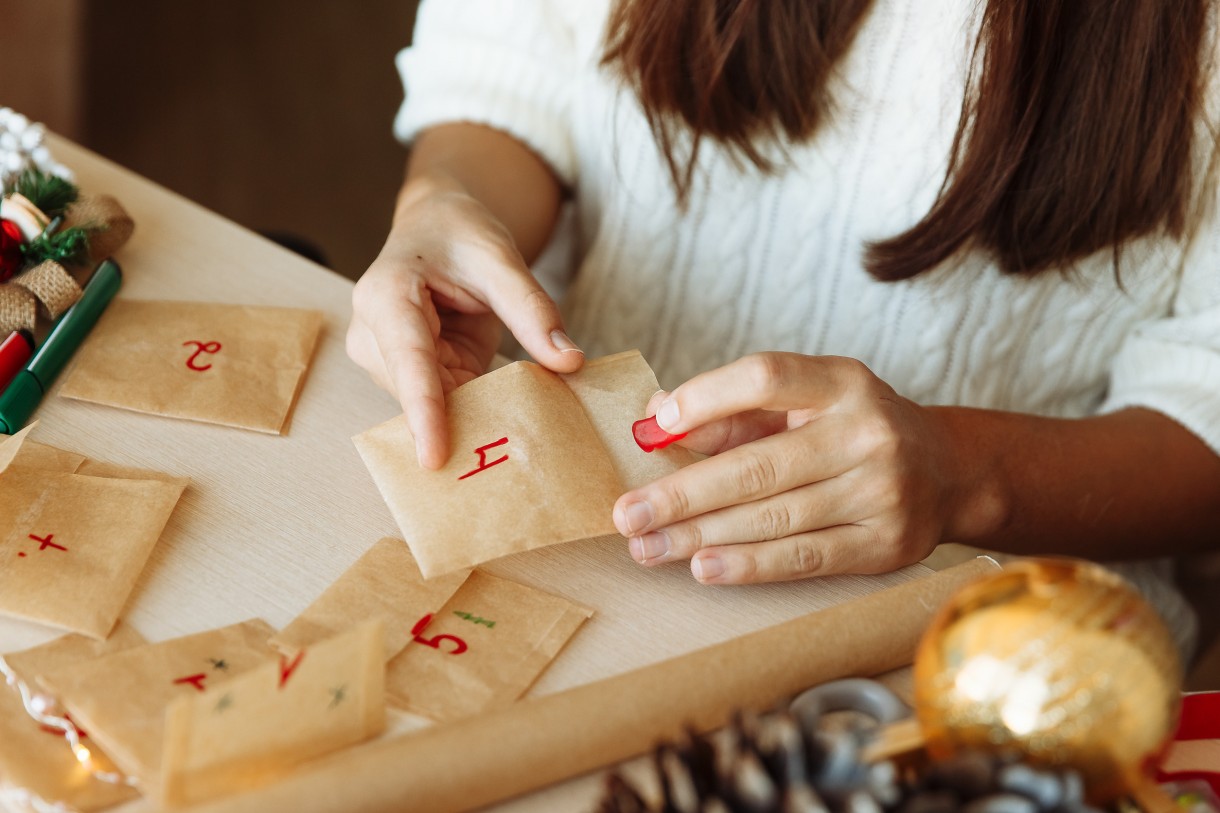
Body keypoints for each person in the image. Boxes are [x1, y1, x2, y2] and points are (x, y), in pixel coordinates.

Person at [347, 0, 1220, 646]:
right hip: (585, 535)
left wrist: (961, 475)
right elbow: (510, 62)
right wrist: (446, 201)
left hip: (1003, 645)